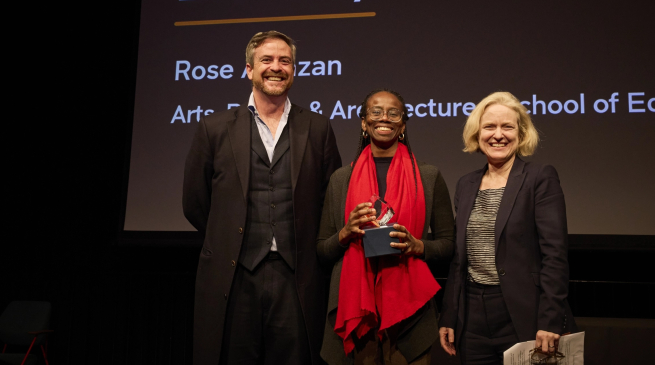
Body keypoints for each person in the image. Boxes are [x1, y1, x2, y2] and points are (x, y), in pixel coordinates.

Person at [183, 31, 342, 365]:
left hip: (297, 277)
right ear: (249, 70)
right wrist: (229, 238)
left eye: (285, 61)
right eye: (266, 60)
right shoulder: (215, 128)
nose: (276, 67)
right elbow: (195, 203)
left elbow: (332, 200)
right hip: (235, 274)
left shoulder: (317, 127)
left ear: (294, 71)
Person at [438, 91, 578, 364]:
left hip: (524, 312)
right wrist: (449, 314)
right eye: (489, 126)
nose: (498, 135)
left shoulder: (539, 177)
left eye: (507, 127)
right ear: (477, 133)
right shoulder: (466, 184)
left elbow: (555, 255)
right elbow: (459, 259)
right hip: (472, 316)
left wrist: (550, 318)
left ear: (521, 133)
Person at [317, 89, 455, 365]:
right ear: (363, 122)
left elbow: (448, 244)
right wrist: (345, 233)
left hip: (410, 314)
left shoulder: (428, 176)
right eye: (376, 111)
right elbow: (322, 249)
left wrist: (418, 245)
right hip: (357, 310)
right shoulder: (341, 179)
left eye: (394, 113)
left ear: (403, 124)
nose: (384, 118)